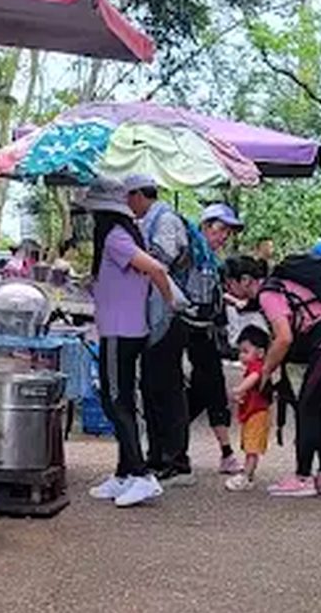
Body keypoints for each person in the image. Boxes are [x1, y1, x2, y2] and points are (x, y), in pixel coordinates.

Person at [224, 253, 321, 498]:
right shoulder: (279, 286)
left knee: (308, 407)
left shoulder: (269, 293)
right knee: (316, 407)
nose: (229, 288)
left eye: (231, 283)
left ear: (245, 280)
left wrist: (266, 369)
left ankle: (303, 477)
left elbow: (284, 337)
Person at [83, 176, 183, 508]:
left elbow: (156, 269)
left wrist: (170, 302)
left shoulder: (114, 238)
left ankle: (141, 475)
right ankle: (124, 473)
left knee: (116, 401)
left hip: (120, 331)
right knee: (120, 398)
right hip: (124, 329)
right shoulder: (124, 234)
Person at [125, 174, 193, 486]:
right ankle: (157, 454)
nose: (127, 204)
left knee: (165, 387)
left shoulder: (164, 220)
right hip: (154, 315)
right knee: (152, 386)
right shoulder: (149, 220)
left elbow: (160, 261)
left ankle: (173, 457)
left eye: (129, 197)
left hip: (169, 313)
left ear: (140, 195)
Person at [179, 203, 246, 475]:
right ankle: (222, 452)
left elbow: (213, 291)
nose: (222, 239)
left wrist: (234, 301)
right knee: (204, 386)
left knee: (205, 388)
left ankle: (221, 451)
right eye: (220, 231)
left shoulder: (211, 261)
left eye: (227, 234)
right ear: (205, 227)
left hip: (205, 329)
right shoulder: (188, 254)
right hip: (186, 327)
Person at [225, 325, 273, 491]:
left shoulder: (258, 367)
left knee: (252, 447)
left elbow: (254, 377)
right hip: (253, 412)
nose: (242, 356)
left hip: (257, 413)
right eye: (241, 352)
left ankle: (247, 476)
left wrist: (239, 389)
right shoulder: (256, 366)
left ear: (260, 353)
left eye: (246, 351)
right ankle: (248, 475)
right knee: (249, 445)